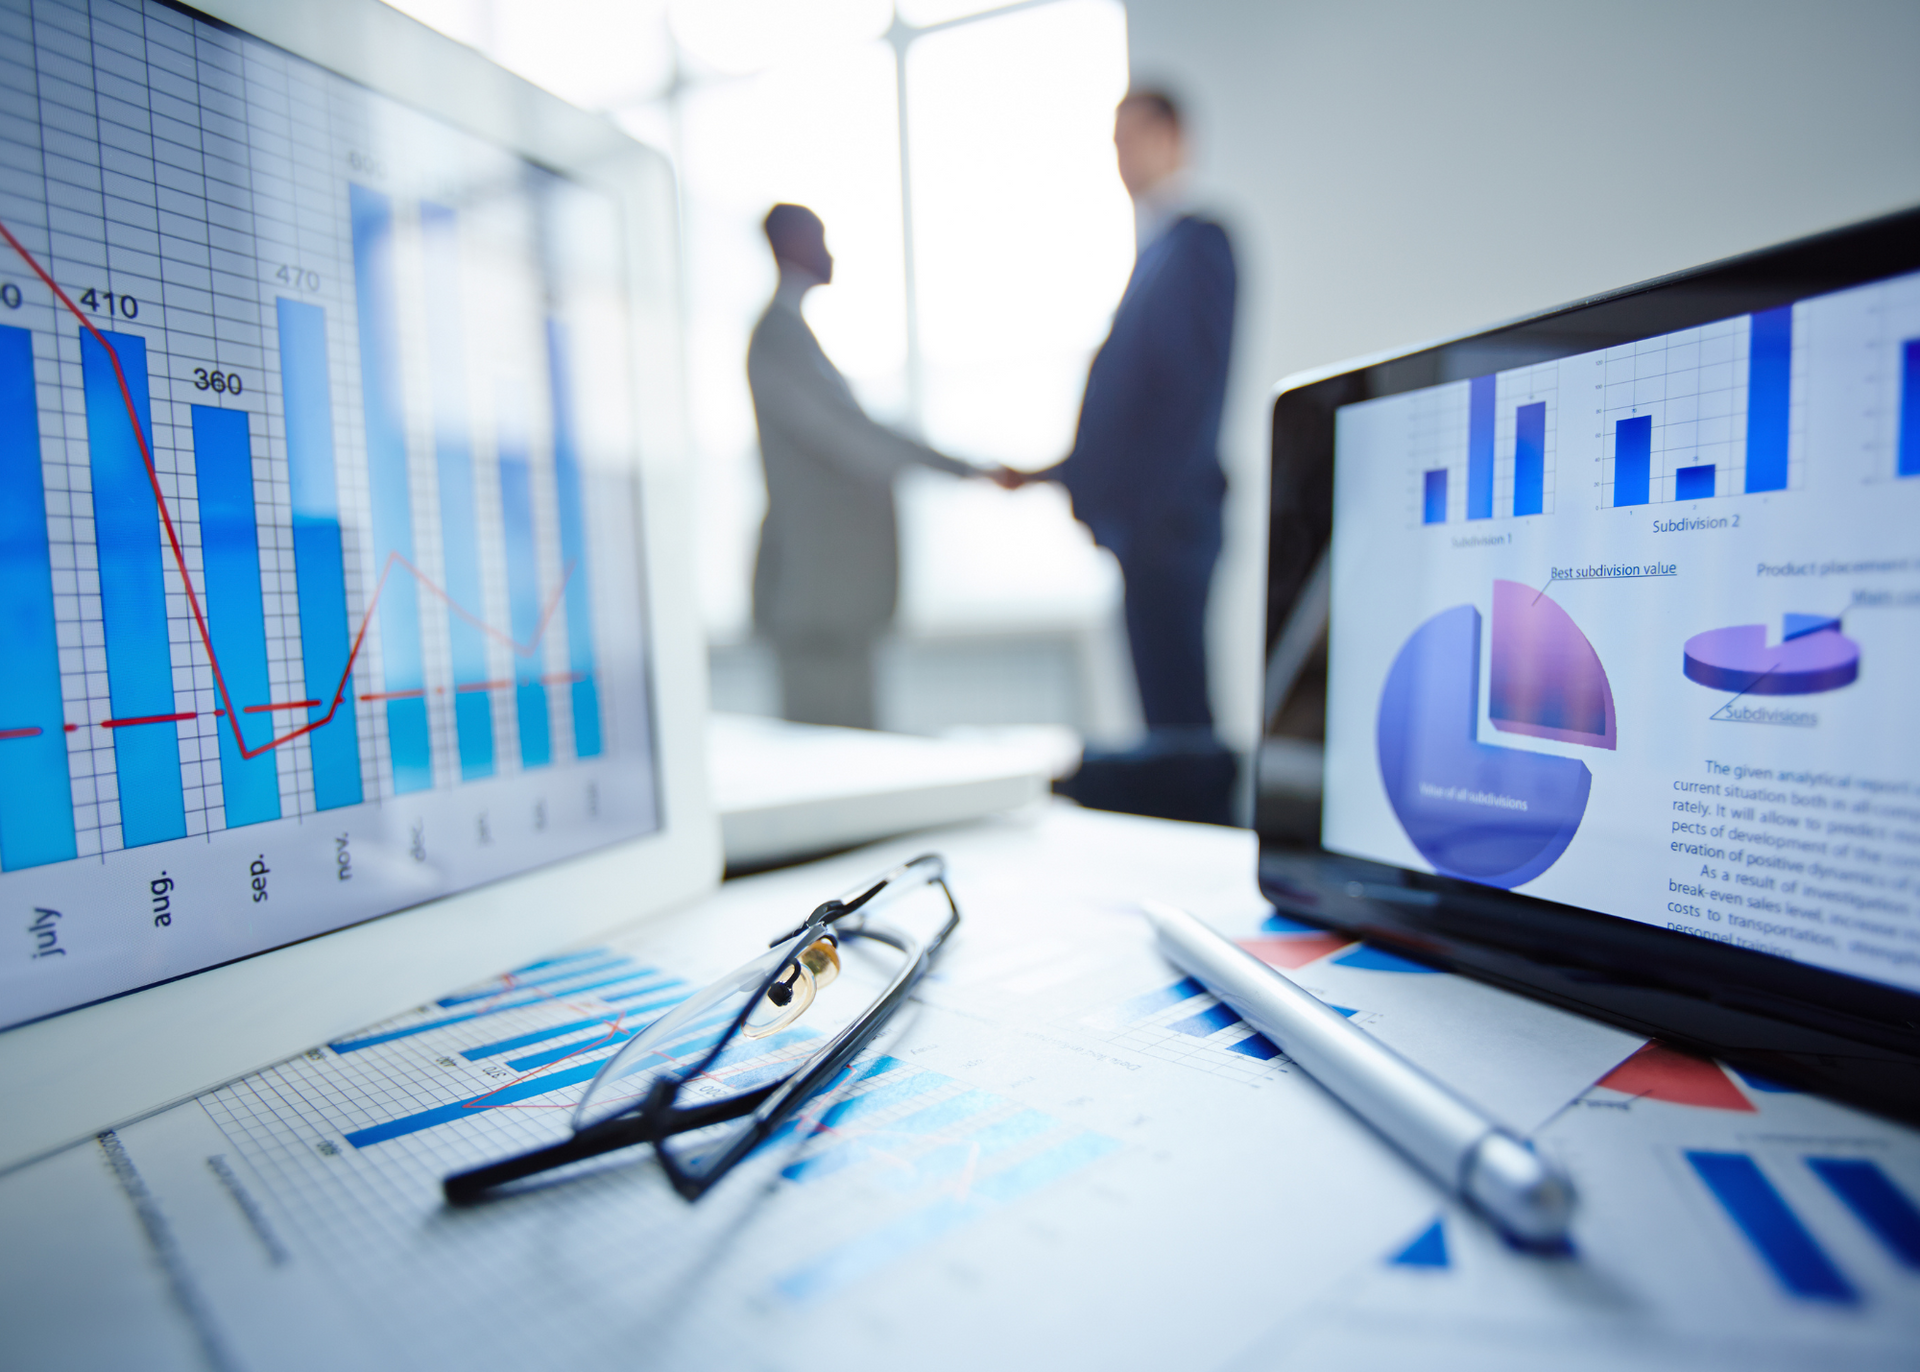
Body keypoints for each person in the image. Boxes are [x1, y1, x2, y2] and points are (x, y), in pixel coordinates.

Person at [1001, 88, 1238, 820]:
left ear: (1176, 139)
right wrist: (1052, 473)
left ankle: (1207, 860)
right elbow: (1127, 414)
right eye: (1113, 141)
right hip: (1148, 532)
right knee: (1163, 721)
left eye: (1133, 137)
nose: (1122, 156)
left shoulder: (1198, 244)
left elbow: (1186, 401)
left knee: (1180, 732)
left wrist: (1143, 517)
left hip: (1169, 531)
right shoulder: (1154, 255)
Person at [747, 203, 991, 730]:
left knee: (852, 746)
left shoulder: (796, 339)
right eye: (820, 239)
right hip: (815, 597)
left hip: (837, 601)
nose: (829, 253)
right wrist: (965, 469)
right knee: (826, 755)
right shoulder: (777, 338)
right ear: (791, 244)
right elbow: (850, 437)